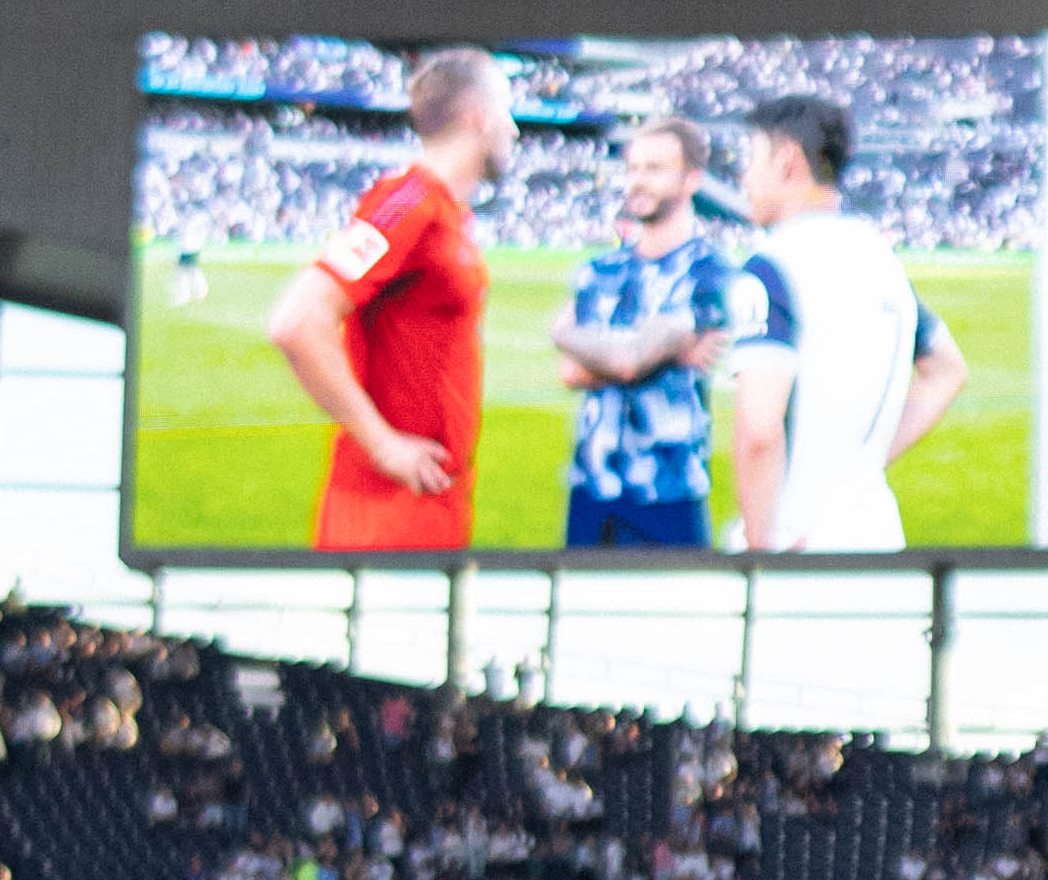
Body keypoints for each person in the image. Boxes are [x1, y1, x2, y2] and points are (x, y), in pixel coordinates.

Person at [265, 44, 506, 553]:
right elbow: (297, 322)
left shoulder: (446, 213)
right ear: (480, 118)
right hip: (385, 517)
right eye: (508, 112)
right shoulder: (405, 203)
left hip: (431, 507)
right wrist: (382, 444)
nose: (516, 130)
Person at [714, 93, 962, 555]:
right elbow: (947, 370)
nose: (743, 179)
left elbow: (759, 430)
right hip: (875, 526)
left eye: (750, 159)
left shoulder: (771, 268)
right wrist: (862, 465)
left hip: (798, 541)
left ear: (786, 160)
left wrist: (757, 546)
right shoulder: (880, 258)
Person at [546, 113, 744, 549]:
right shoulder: (600, 270)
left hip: (668, 490)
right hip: (591, 487)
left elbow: (627, 362)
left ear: (692, 179)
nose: (637, 181)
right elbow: (571, 373)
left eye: (654, 169)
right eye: (633, 168)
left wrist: (566, 334)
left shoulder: (711, 273)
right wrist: (660, 353)